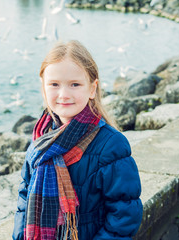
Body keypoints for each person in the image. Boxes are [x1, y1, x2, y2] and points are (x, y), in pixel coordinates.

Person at [12, 40, 143, 240]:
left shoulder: (111, 145)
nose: (64, 94)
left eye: (75, 84)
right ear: (43, 88)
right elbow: (24, 199)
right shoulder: (41, 140)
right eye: (54, 84)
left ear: (92, 89)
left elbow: (124, 215)